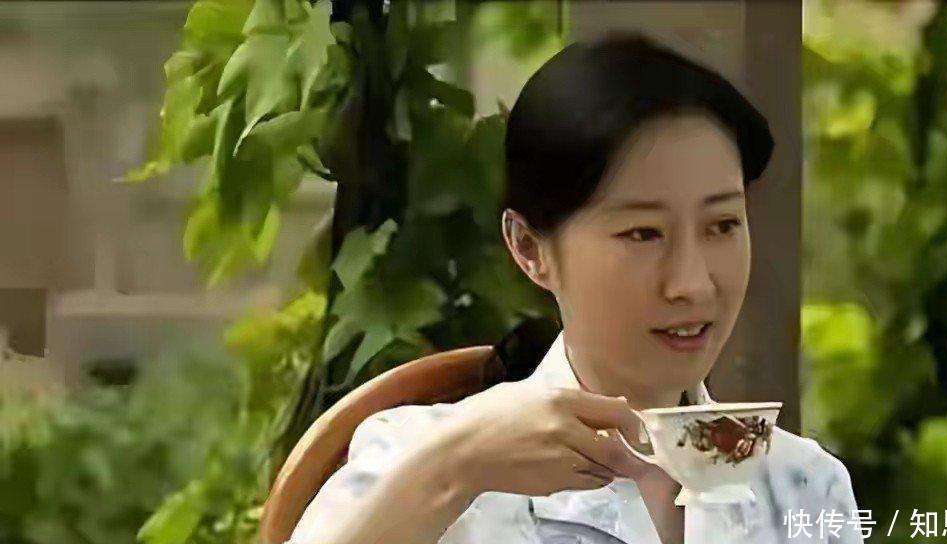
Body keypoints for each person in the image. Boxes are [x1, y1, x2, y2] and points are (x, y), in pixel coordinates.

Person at [288, 33, 864, 544]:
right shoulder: (419, 457)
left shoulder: (802, 487)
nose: (692, 283)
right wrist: (454, 468)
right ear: (530, 248)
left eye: (723, 225)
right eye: (643, 233)